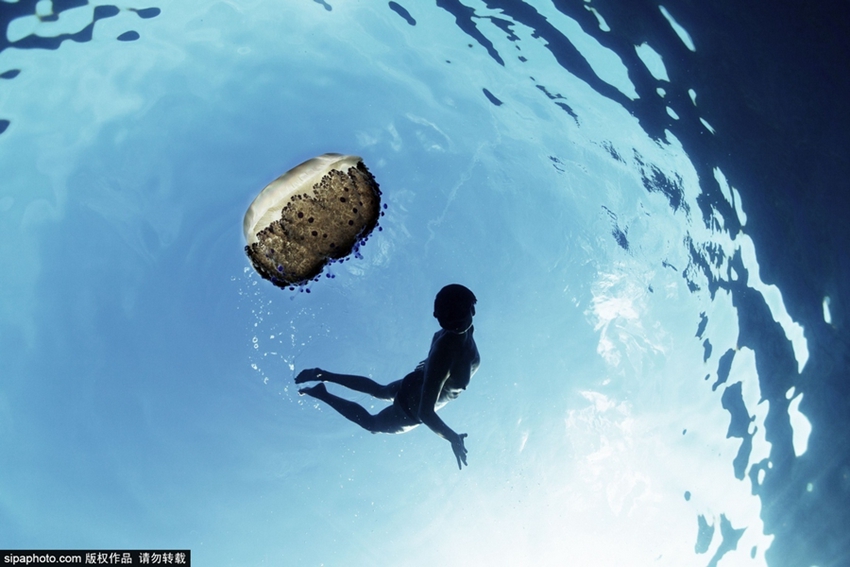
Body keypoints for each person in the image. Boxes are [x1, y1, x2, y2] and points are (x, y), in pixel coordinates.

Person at [296, 284, 480, 469]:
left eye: (458, 315)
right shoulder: (447, 349)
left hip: (415, 381)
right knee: (372, 424)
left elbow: (441, 353)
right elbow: (426, 412)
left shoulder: (447, 335)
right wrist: (452, 437)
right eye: (449, 319)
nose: (455, 322)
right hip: (414, 407)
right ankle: (323, 394)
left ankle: (325, 375)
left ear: (472, 306)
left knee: (379, 390)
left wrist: (430, 364)